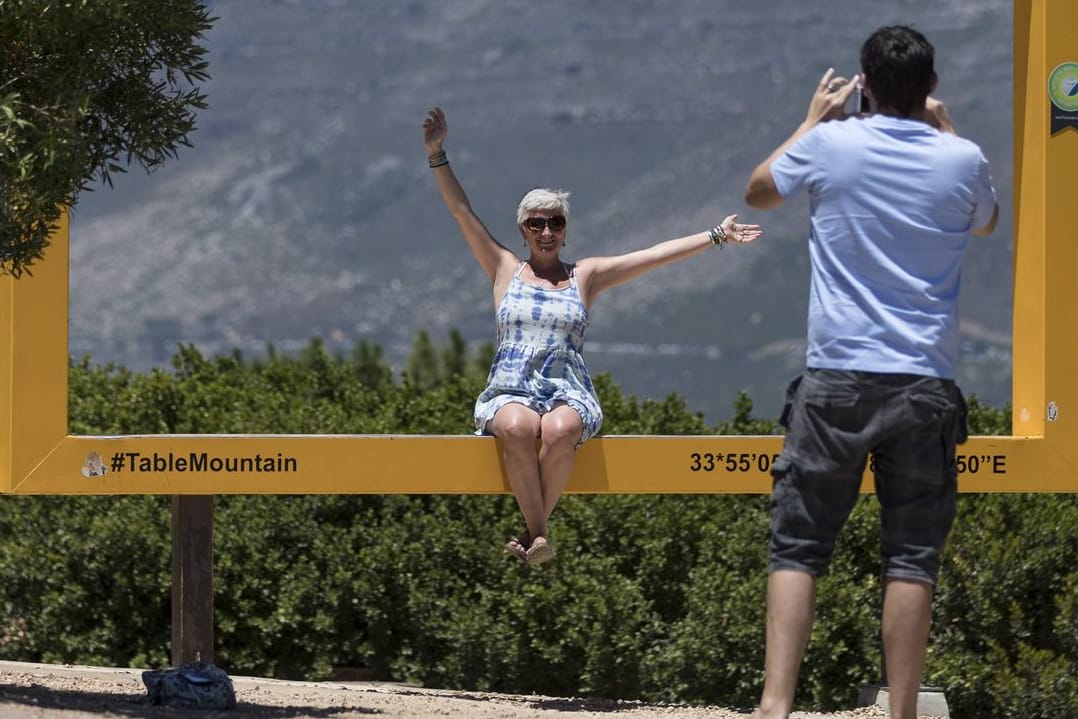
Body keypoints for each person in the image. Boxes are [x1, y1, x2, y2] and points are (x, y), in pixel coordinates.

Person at [743, 26, 998, 719]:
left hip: (835, 379)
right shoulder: (963, 159)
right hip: (923, 380)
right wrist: (947, 130)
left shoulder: (827, 146)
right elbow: (986, 222)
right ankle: (904, 710)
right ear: (930, 87)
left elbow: (760, 191)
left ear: (864, 84)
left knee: (799, 543)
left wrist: (810, 120)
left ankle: (775, 703)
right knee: (911, 556)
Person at [423, 106, 761, 566]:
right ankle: (538, 533)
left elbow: (653, 256)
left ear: (565, 231)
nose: (546, 231)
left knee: (561, 431)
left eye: (555, 223)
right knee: (520, 428)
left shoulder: (586, 275)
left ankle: (532, 534)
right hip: (511, 389)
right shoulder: (504, 268)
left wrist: (715, 235)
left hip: (566, 388)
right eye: (537, 223)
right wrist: (437, 155)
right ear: (523, 230)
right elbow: (462, 213)